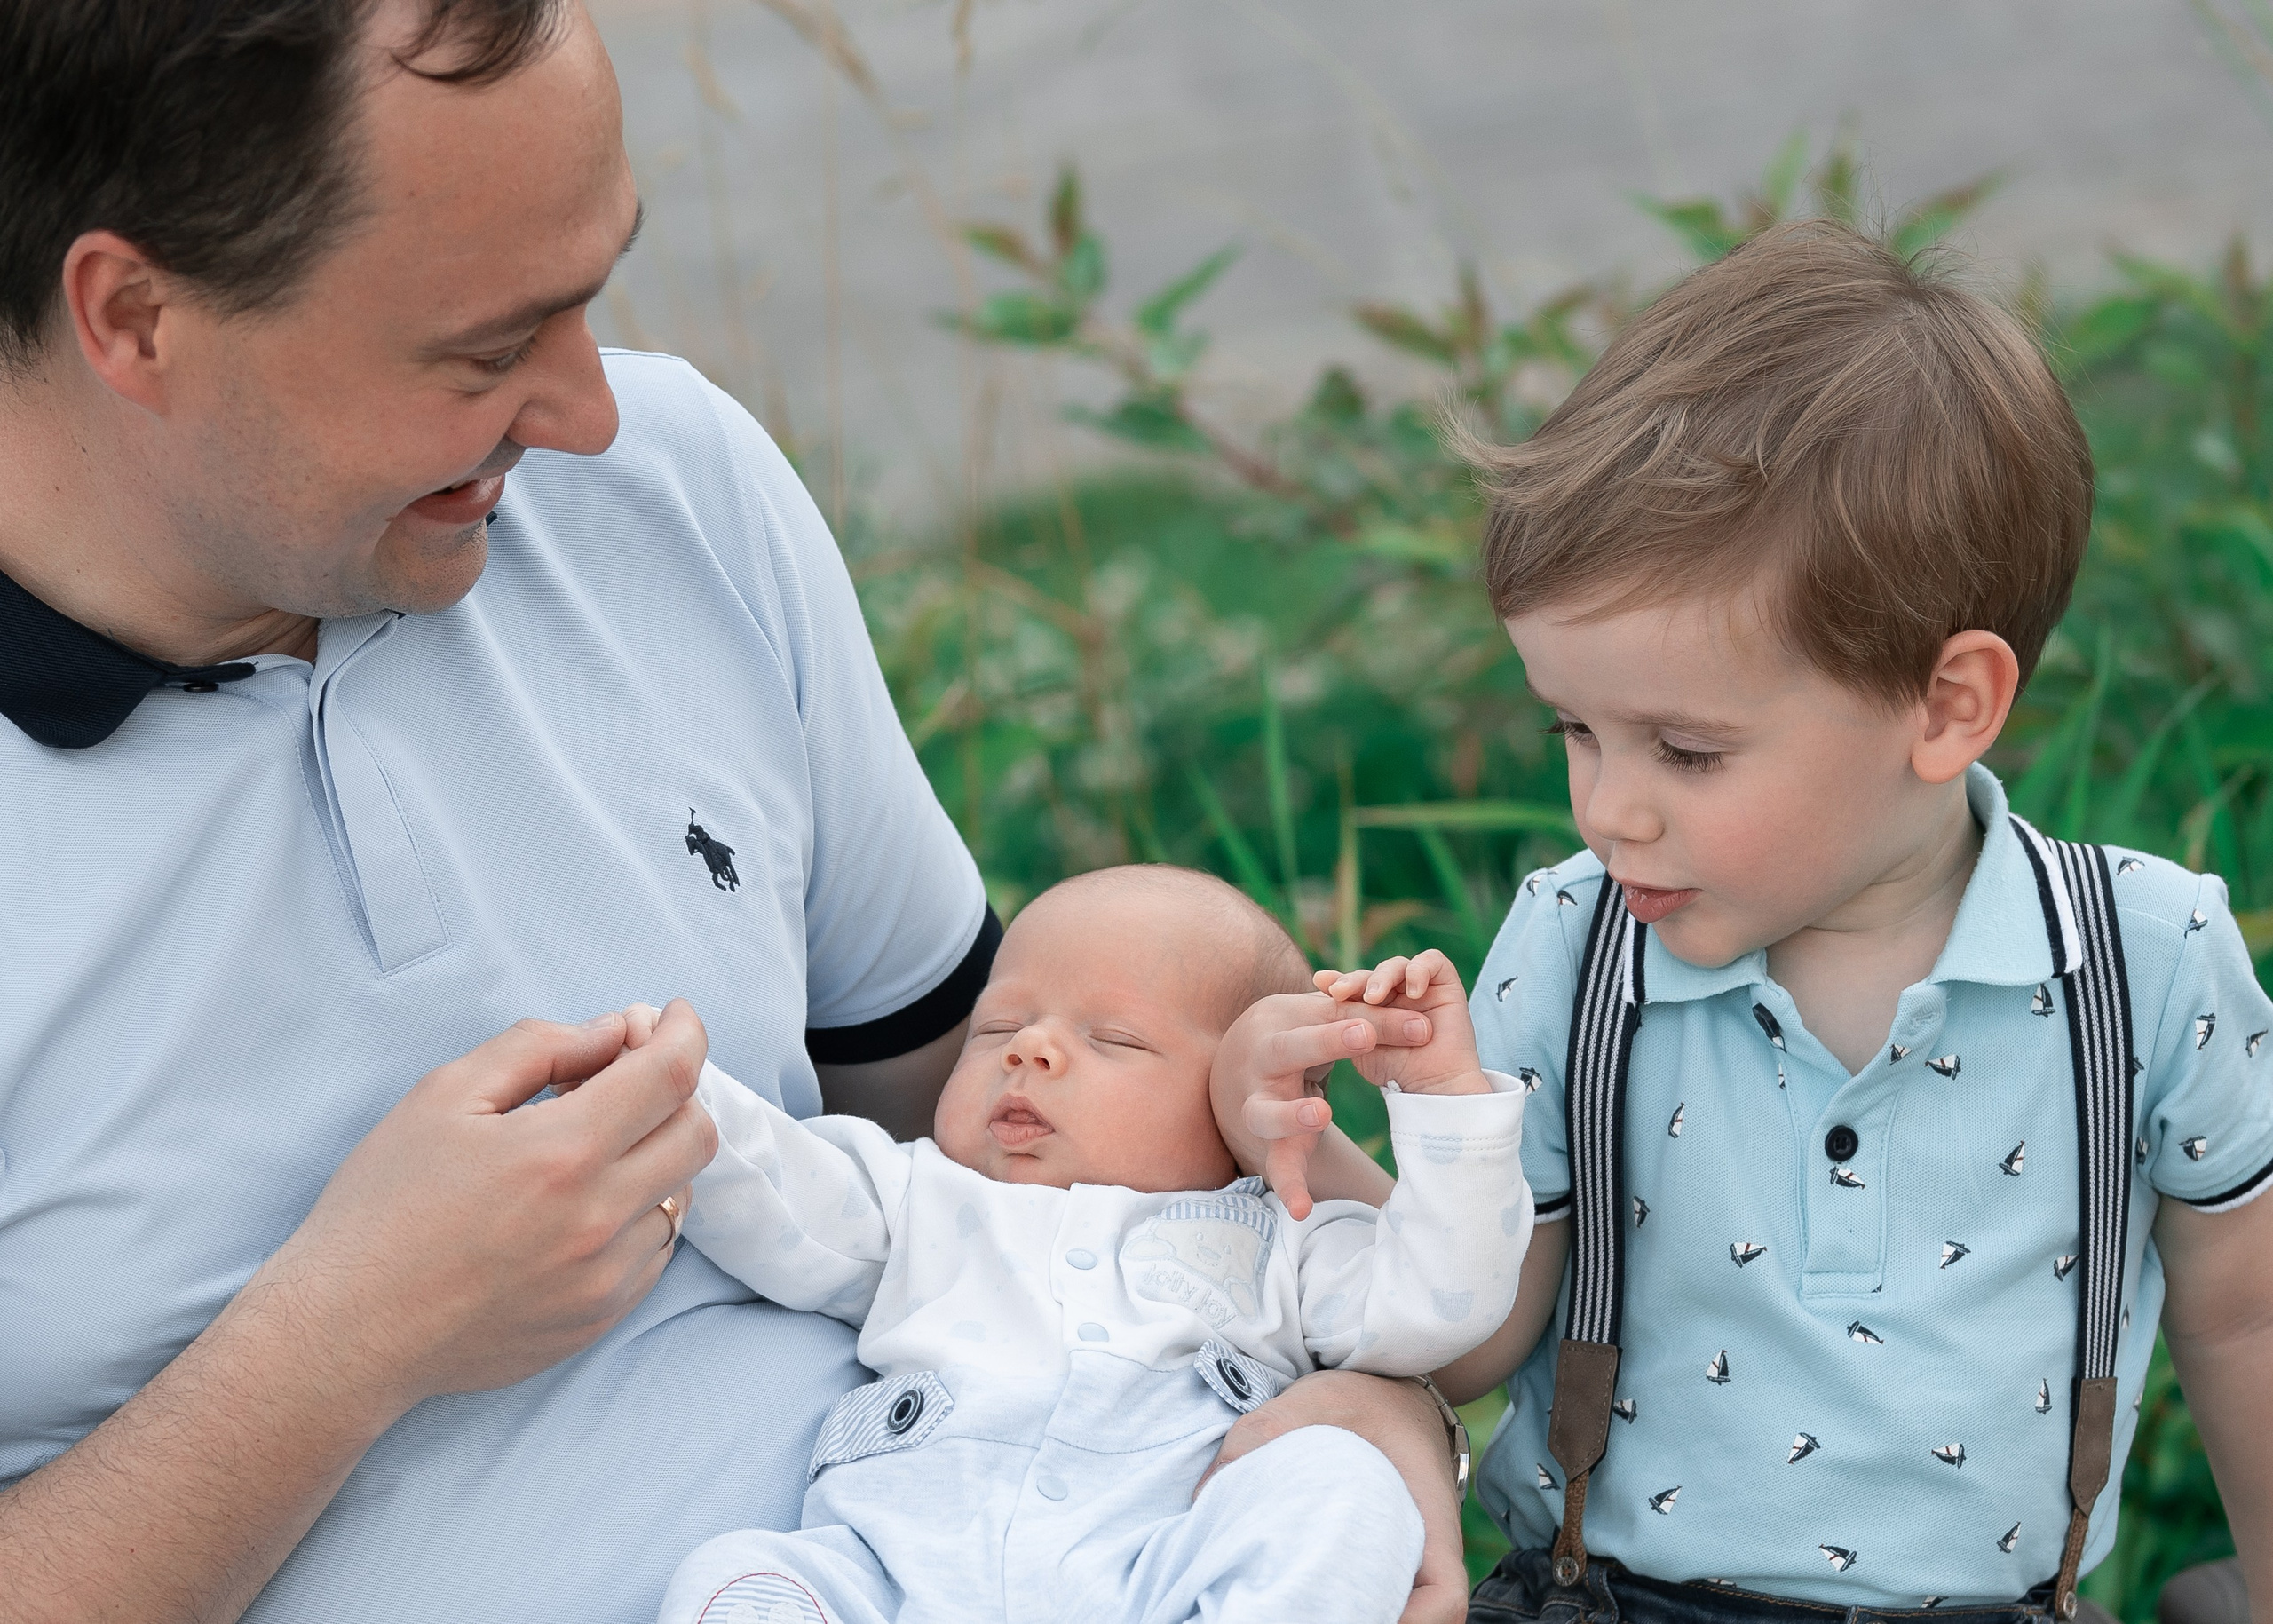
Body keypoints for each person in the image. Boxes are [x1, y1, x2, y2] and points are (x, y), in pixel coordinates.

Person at [0, 4, 1467, 1620]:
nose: (592, 413)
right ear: (133, 316)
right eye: (483, 351)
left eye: (589, 296)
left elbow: (996, 1137)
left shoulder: (675, 492)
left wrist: (1349, 1389)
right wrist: (342, 1338)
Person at [1234, 222, 2273, 1621]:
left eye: (1687, 749)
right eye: (1576, 730)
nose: (1611, 810)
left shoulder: (2142, 961)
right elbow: (1477, 1323)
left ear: (1947, 704)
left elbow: (2245, 1315)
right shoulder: (1580, 944)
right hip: (1607, 1595)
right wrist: (1336, 1155)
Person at [651, 867, 1532, 1624]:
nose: (1029, 1049)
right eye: (997, 1028)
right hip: (902, 1573)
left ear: (1235, 1098)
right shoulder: (918, 1195)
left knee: (1345, 1479)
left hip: (1160, 1578)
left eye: (1111, 1037)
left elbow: (1439, 1302)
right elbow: (774, 1185)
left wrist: (1447, 1101)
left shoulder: (1282, 1240)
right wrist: (659, 1087)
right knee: (735, 1573)